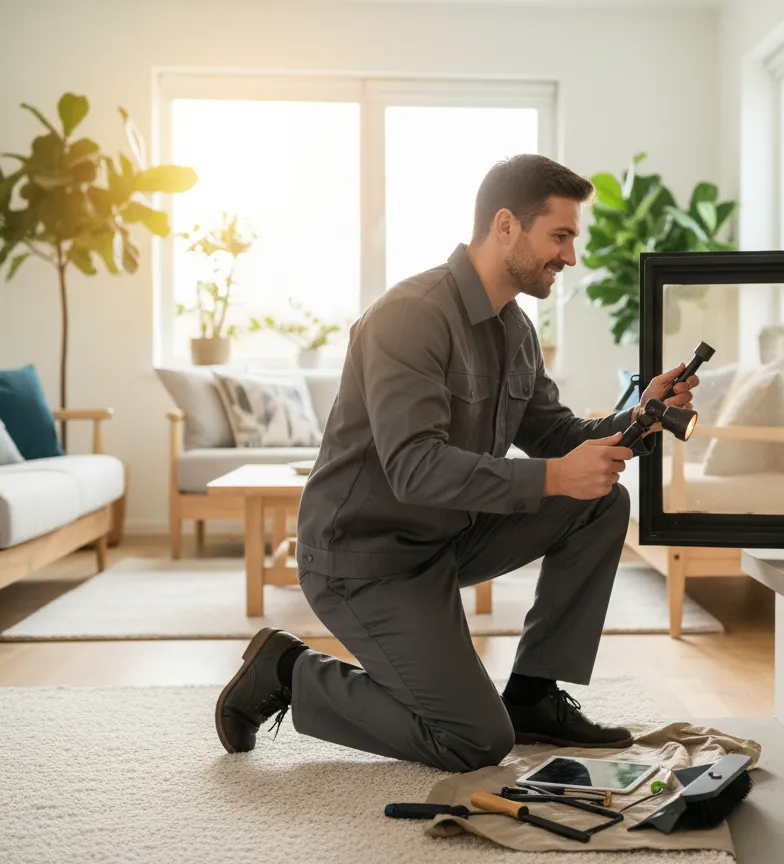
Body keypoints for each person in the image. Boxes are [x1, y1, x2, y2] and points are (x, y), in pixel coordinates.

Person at [213, 154, 698, 773]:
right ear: (506, 226)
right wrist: (555, 476)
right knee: (475, 741)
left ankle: (533, 697)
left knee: (599, 501)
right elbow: (414, 467)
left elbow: (557, 435)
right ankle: (287, 670)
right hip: (365, 558)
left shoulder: (516, 330)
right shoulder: (410, 315)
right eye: (560, 236)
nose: (571, 257)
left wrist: (642, 413)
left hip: (448, 538)